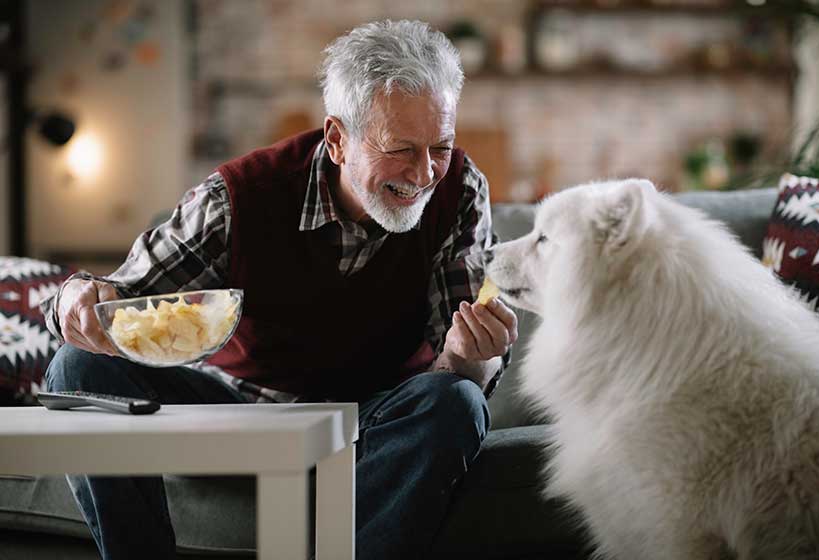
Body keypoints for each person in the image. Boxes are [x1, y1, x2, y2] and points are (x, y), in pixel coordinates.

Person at [41, 19, 517, 560]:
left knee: (453, 400)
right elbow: (116, 299)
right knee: (79, 369)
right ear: (338, 140)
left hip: (378, 423)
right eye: (402, 148)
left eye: (441, 147)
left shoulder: (460, 188)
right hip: (245, 414)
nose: (426, 171)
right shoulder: (238, 198)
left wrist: (466, 357)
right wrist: (75, 298)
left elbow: (462, 375)